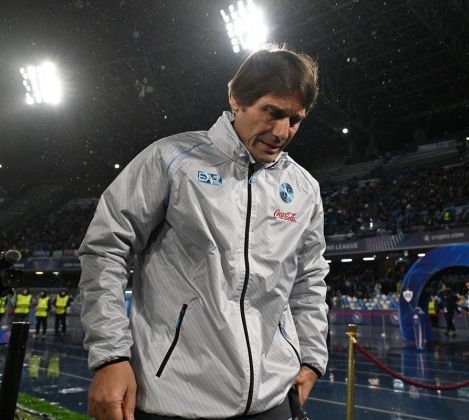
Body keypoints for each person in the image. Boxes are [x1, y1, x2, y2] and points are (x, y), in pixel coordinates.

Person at [79, 44, 328, 420]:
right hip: (174, 398)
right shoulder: (170, 160)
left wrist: (310, 358)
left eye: (295, 119)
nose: (282, 132)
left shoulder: (304, 188)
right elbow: (104, 248)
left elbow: (309, 280)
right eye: (273, 112)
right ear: (236, 99)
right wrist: (110, 356)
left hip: (273, 398)